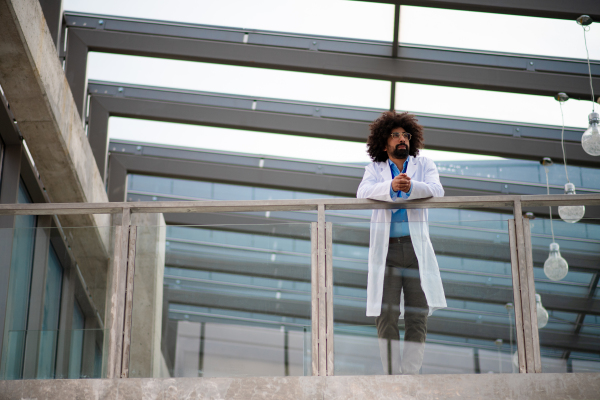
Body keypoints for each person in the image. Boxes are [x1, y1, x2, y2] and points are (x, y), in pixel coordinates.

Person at [357, 111, 446, 375]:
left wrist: (410, 187)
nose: (401, 140)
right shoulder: (374, 169)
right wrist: (391, 186)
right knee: (386, 316)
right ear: (384, 144)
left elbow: (437, 191)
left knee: (418, 314)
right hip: (388, 251)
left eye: (405, 135)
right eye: (395, 136)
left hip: (416, 249)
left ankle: (410, 374)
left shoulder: (424, 164)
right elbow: (362, 193)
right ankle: (392, 376)